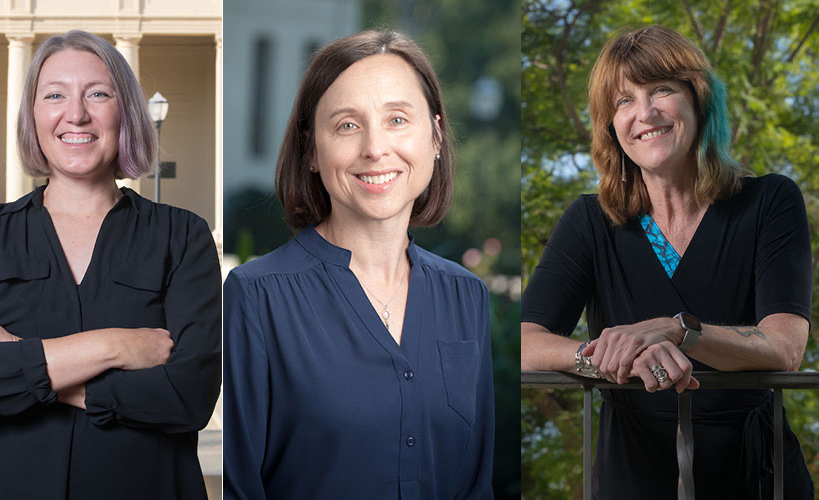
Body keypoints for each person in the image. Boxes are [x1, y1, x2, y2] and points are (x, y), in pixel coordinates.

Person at [0, 30, 221, 499]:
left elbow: (189, 396)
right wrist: (114, 346)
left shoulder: (183, 236)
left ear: (125, 113)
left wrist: (12, 351)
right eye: (55, 94)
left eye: (98, 94)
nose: (76, 113)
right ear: (34, 115)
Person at [520, 25, 814, 499]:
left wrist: (679, 330)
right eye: (623, 101)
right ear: (610, 125)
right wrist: (608, 357)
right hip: (633, 476)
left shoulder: (769, 201)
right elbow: (524, 341)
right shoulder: (588, 222)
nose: (645, 113)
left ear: (698, 101)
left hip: (757, 478)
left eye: (661, 89)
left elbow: (785, 346)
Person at [224, 30, 494, 499]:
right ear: (311, 150)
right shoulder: (256, 296)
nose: (375, 147)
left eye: (396, 119)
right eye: (347, 125)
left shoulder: (466, 295)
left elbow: (475, 484)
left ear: (434, 135)